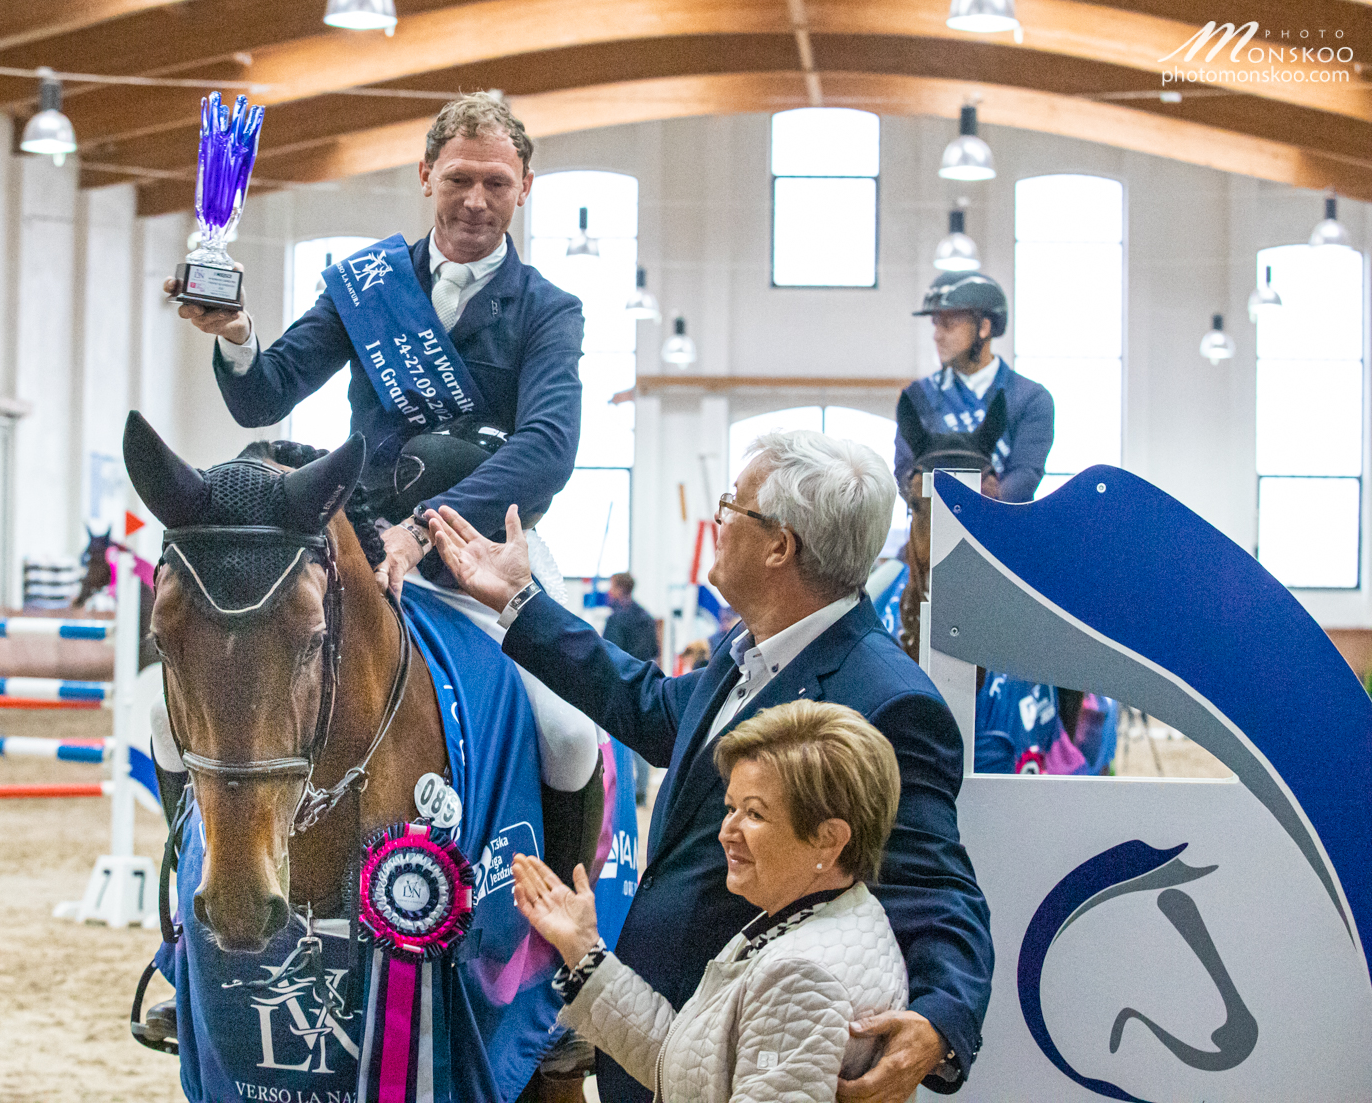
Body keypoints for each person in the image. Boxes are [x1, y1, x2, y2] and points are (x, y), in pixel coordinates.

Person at [427, 428, 994, 1102]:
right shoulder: (748, 648)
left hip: (747, 1054)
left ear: (781, 545)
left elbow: (936, 885)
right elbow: (651, 708)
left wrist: (940, 1021)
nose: (717, 521)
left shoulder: (887, 699)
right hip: (664, 1037)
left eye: (732, 505)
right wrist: (521, 602)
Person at [166, 92, 601, 812]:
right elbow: (264, 396)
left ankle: (552, 901)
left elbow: (548, 448)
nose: (475, 201)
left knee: (569, 731)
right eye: (459, 178)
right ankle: (195, 875)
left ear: (525, 188)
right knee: (175, 711)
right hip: (358, 538)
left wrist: (427, 528)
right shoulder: (367, 286)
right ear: (425, 174)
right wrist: (237, 332)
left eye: (496, 183)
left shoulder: (549, 310)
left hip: (485, 549)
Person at [514, 699, 908, 1100]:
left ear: (829, 840)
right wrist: (583, 951)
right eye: (731, 808)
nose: (727, 832)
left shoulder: (800, 978)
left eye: (754, 814)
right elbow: (696, 1069)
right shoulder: (820, 916)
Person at [895, 272, 1053, 504]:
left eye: (948, 325)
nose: (937, 336)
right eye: (935, 324)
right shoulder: (918, 396)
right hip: (932, 530)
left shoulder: (1031, 399)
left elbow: (1025, 475)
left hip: (1000, 531)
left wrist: (979, 501)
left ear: (984, 327)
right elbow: (904, 471)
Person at [602, 572, 659, 666]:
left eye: (612, 587)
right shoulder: (646, 616)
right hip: (643, 672)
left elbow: (610, 652)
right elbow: (654, 650)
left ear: (620, 589)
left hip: (623, 673)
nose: (609, 592)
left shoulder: (616, 620)